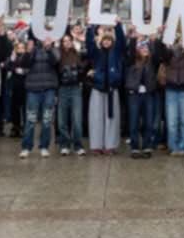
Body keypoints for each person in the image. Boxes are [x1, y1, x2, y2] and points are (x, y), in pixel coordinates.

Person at [155, 34, 184, 156]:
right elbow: (162, 55)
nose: (182, 41)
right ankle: (173, 146)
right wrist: (162, 37)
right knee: (171, 121)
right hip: (171, 89)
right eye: (180, 38)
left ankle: (183, 146)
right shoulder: (170, 51)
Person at [85, 21, 125, 155]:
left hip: (112, 89)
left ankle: (110, 146)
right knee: (96, 118)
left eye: (109, 40)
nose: (106, 42)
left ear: (112, 42)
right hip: (98, 88)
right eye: (104, 40)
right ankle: (97, 145)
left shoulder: (117, 53)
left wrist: (118, 26)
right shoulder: (96, 53)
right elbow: (89, 44)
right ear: (101, 42)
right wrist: (90, 28)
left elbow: (122, 41)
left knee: (112, 119)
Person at [19, 29, 59, 158]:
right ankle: (26, 147)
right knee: (30, 119)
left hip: (49, 89)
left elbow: (55, 62)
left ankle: (44, 146)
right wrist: (28, 52)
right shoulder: (32, 48)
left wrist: (49, 49)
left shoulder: (54, 48)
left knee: (47, 119)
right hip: (33, 89)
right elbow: (23, 64)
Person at [125, 39, 159, 158]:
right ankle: (134, 148)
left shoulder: (152, 62)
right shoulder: (132, 61)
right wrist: (133, 38)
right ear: (138, 50)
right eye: (142, 47)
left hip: (148, 95)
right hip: (134, 95)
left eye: (146, 48)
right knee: (134, 122)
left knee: (148, 122)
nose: (145, 50)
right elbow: (130, 50)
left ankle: (146, 146)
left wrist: (154, 40)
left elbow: (157, 53)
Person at [56, 33, 85, 156]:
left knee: (77, 120)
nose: (66, 42)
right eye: (64, 41)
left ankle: (78, 145)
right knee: (62, 120)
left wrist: (81, 73)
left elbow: (83, 68)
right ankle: (65, 145)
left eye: (68, 40)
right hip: (62, 89)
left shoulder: (77, 54)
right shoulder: (58, 55)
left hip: (75, 89)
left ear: (72, 42)